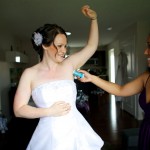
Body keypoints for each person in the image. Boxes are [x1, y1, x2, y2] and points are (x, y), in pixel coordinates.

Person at [13, 5, 104, 150]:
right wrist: (48, 112)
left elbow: (92, 46)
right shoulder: (30, 73)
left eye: (65, 46)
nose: (63, 51)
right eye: (59, 46)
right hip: (49, 136)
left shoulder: (69, 65)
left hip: (76, 133)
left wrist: (94, 19)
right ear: (44, 45)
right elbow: (19, 110)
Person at [78, 34, 150, 150]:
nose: (146, 52)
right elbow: (120, 90)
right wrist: (92, 78)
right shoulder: (146, 77)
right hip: (146, 132)